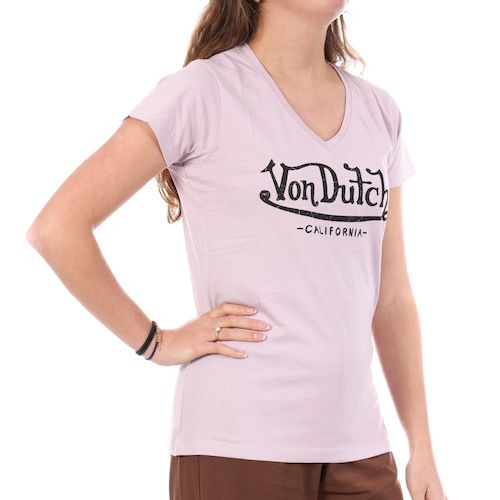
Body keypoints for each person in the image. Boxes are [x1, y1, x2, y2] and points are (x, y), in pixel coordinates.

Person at [26, 0, 448, 499]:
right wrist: (155, 342)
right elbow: (58, 228)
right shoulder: (204, 91)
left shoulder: (380, 112)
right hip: (237, 445)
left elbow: (391, 296)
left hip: (359, 447)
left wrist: (421, 446)